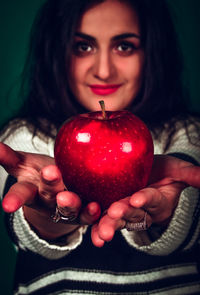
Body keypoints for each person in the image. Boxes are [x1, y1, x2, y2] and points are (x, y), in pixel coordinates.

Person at [0, 0, 200, 294]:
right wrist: (49, 217)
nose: (104, 71)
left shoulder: (189, 133)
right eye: (83, 47)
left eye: (124, 47)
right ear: (57, 53)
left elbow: (192, 209)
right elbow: (22, 225)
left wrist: (167, 213)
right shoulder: (25, 138)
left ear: (153, 53)